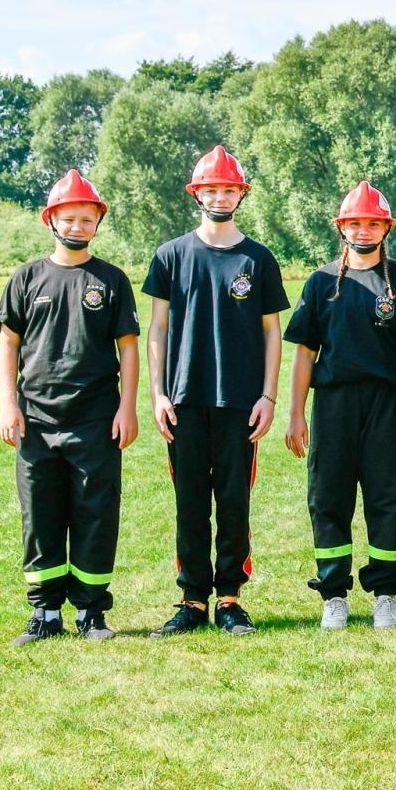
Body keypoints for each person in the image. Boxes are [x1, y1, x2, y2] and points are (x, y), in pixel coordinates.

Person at [145, 146, 289, 637]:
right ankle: (192, 600)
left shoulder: (259, 258)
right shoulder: (170, 254)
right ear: (197, 194)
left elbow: (273, 331)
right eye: (212, 189)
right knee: (189, 502)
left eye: (229, 189)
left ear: (241, 194)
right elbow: (158, 329)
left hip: (240, 402)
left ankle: (229, 598)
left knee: (233, 501)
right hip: (183, 400)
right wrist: (158, 394)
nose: (220, 196)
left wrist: (268, 396)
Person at [0, 171, 139, 644]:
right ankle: (45, 613)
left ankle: (91, 614)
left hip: (96, 419)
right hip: (35, 420)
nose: (78, 226)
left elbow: (129, 349)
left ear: (97, 222)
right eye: (69, 218)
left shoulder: (111, 280)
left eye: (87, 218)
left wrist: (128, 408)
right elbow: (9, 346)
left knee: (96, 514)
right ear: (51, 220)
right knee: (41, 515)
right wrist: (7, 405)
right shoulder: (26, 278)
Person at [284, 181, 396, 631]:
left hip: (387, 403)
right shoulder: (321, 281)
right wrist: (295, 413)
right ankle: (334, 595)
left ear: (386, 227)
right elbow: (304, 353)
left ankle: (386, 593)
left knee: (387, 497)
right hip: (333, 403)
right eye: (355, 223)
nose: (364, 230)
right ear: (341, 227)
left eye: (372, 223)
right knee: (329, 497)